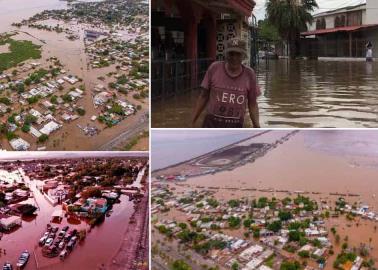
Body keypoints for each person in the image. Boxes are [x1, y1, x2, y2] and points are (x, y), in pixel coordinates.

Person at [192, 38, 261, 128]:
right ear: (226, 54)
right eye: (231, 54)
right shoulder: (214, 68)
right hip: (211, 125)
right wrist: (191, 123)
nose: (234, 58)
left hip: (235, 127)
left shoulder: (249, 74)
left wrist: (257, 128)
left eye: (238, 54)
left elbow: (253, 104)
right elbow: (203, 96)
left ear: (243, 56)